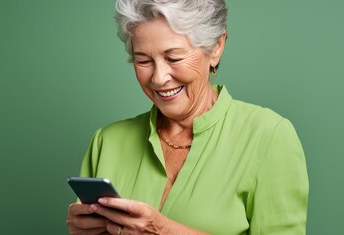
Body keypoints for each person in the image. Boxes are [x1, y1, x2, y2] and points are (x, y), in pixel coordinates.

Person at [66, 0, 309, 234]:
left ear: (215, 47)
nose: (159, 78)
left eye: (174, 58)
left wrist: (162, 231)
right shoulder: (106, 142)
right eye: (143, 60)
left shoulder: (269, 136)